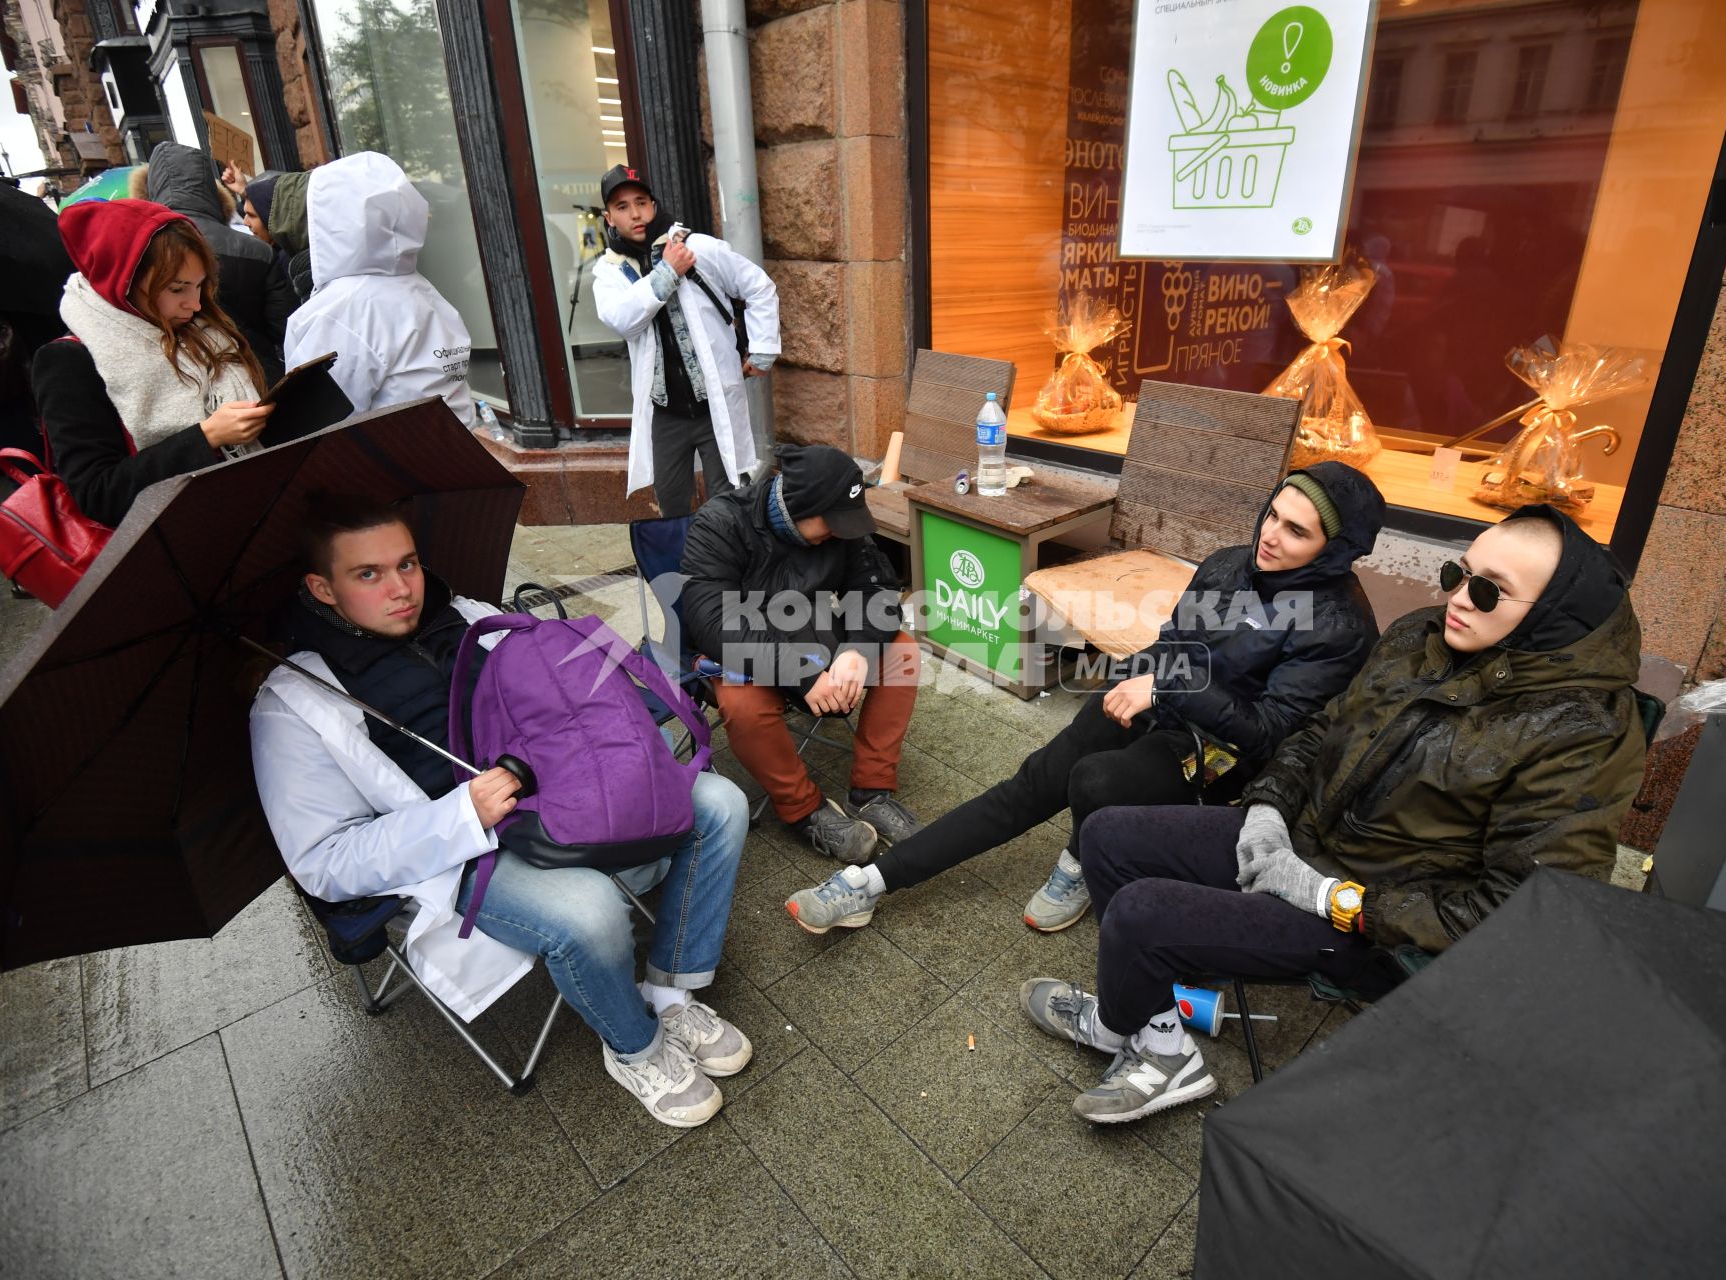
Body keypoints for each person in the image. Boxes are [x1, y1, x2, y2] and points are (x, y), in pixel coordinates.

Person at [1020, 506, 1647, 1124]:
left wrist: (1336, 899)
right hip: (1305, 835)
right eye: (1458, 573)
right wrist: (1268, 806)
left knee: (1140, 915)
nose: (1458, 597)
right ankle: (1155, 1038)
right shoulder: (1420, 637)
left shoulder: (1582, 732)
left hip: (1381, 919)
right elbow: (1321, 729)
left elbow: (1525, 911)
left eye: (1489, 591)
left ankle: (1137, 1036)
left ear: (1552, 614)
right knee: (1106, 834)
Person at [250, 495, 753, 1128]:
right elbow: (322, 863)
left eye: (406, 563)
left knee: (719, 801)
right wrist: (461, 814)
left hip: (564, 795)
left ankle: (671, 989)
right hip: (462, 851)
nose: (402, 589)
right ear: (322, 587)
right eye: (368, 574)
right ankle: (635, 1046)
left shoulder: (470, 615)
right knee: (589, 911)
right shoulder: (295, 701)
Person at [785, 462, 1387, 936]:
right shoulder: (1229, 566)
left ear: (1334, 549)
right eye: (1272, 515)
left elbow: (1270, 735)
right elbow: (1173, 643)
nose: (1270, 536)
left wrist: (1168, 684)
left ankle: (1080, 862)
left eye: (1295, 530)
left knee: (1096, 780)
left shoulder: (1338, 625)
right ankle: (871, 882)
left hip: (1227, 759)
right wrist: (1134, 676)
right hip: (1168, 704)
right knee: (1034, 780)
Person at [679, 444, 922, 861]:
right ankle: (803, 809)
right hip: (743, 645)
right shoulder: (720, 522)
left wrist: (856, 653)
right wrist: (802, 674)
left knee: (902, 652)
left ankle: (871, 792)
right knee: (742, 703)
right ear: (798, 505)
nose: (842, 531)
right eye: (833, 523)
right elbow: (714, 621)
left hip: (810, 631)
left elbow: (877, 589)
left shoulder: (838, 526)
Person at [32, 199, 273, 527]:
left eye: (200, 285)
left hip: (247, 516)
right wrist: (206, 437)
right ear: (125, 281)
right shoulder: (68, 361)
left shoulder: (200, 329)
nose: (195, 303)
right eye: (177, 289)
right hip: (169, 544)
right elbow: (96, 493)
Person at [593, 164, 780, 516]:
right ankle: (680, 569)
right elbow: (622, 320)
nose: (635, 214)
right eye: (622, 207)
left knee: (727, 502)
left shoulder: (697, 247)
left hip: (715, 405)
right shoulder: (610, 270)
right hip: (666, 414)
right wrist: (667, 273)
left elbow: (758, 286)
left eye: (641, 202)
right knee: (671, 501)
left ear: (654, 204)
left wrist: (763, 349)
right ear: (609, 218)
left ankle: (726, 568)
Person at [282, 153, 475, 426]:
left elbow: (317, 423)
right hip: (451, 453)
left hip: (394, 461)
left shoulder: (343, 309)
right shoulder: (418, 288)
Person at [133, 143, 295, 382]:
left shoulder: (143, 251)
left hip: (189, 382)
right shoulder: (258, 251)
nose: (195, 305)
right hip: (260, 376)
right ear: (210, 189)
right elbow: (286, 330)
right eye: (178, 288)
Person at [224, 164, 312, 303]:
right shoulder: (290, 250)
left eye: (251, 216)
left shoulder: (287, 264)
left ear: (273, 219)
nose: (245, 222)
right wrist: (244, 191)